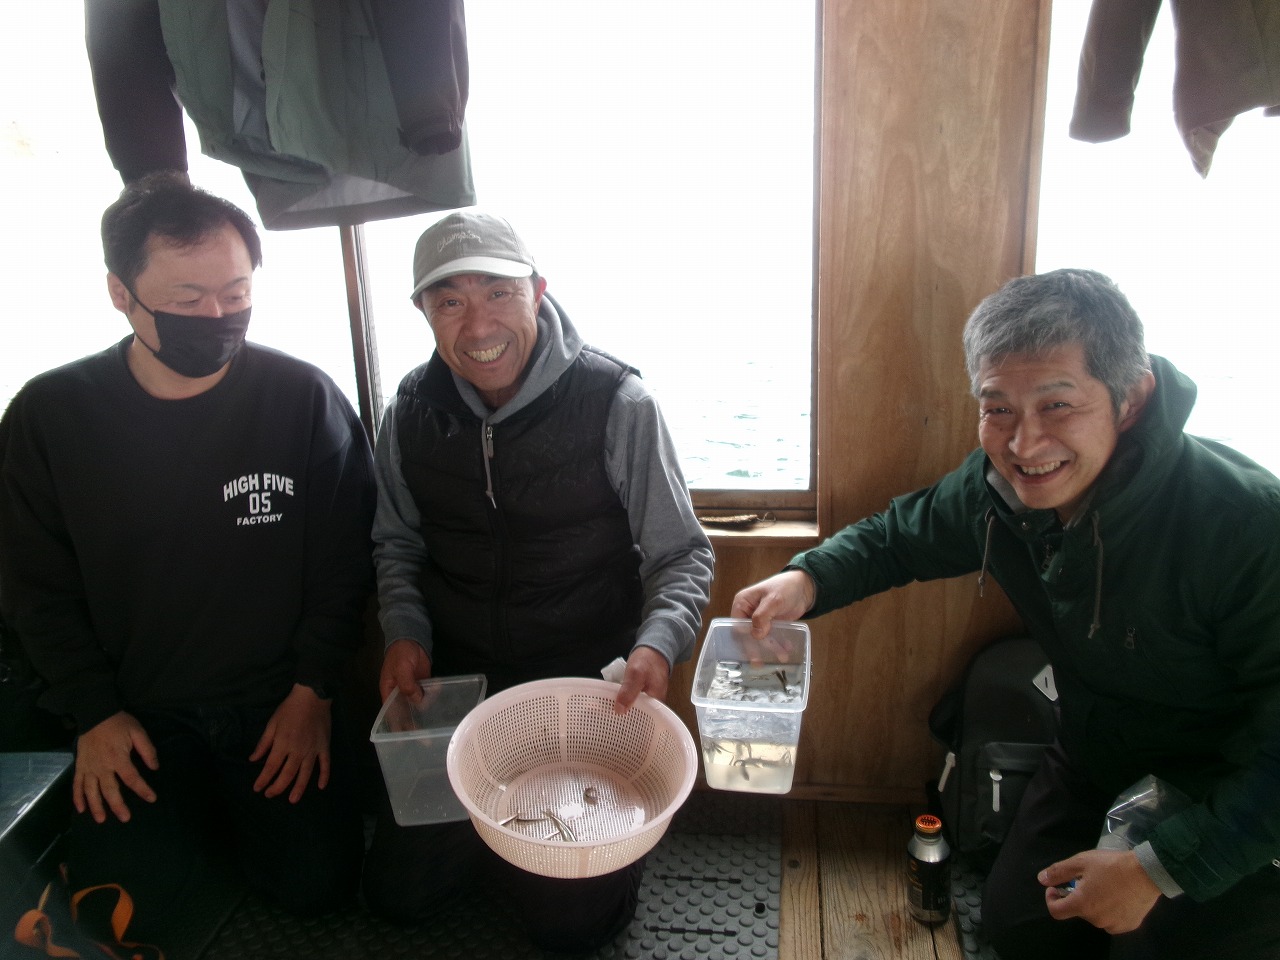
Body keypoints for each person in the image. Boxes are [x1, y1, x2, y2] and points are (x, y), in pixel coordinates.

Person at [731, 268, 1280, 960]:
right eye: (999, 409)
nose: (1024, 445)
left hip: (1226, 786)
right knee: (1022, 929)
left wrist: (1159, 868)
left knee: (1152, 945)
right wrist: (806, 580)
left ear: (1132, 399)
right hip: (1093, 754)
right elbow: (899, 537)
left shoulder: (1245, 524)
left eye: (1058, 405)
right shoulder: (1000, 493)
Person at [0, 173, 376, 945]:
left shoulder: (303, 399)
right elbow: (33, 586)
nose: (216, 316)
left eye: (236, 294)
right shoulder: (48, 417)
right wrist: (92, 713)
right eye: (187, 298)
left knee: (316, 887)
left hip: (275, 706)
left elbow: (346, 563)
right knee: (126, 910)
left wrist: (313, 691)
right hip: (135, 713)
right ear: (121, 293)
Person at [361, 211, 713, 952]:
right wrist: (404, 632)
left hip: (586, 686)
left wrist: (657, 644)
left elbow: (682, 554)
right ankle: (500, 839)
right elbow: (396, 543)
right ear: (423, 312)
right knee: (398, 898)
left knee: (573, 929)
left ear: (538, 290)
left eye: (498, 291)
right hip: (465, 689)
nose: (478, 324)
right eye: (450, 301)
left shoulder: (619, 400)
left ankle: (579, 861)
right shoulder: (410, 410)